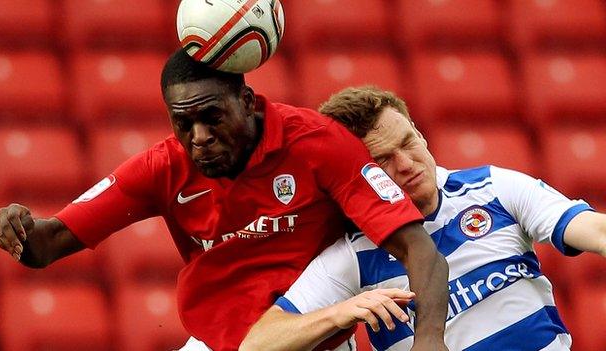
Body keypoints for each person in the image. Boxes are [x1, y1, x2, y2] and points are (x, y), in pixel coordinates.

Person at [0, 51, 450, 351]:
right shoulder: (160, 168)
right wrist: (19, 229)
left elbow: (420, 250)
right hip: (219, 343)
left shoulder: (318, 144)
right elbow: (46, 247)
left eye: (212, 118)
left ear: (246, 101)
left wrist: (429, 341)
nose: (199, 138)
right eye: (183, 124)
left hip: (313, 338)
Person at [240, 86, 606, 351]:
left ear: (419, 131)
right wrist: (340, 313)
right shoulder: (353, 255)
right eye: (382, 160)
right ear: (357, 172)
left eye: (407, 142)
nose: (405, 164)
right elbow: (257, 345)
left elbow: (594, 229)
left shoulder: (493, 187)